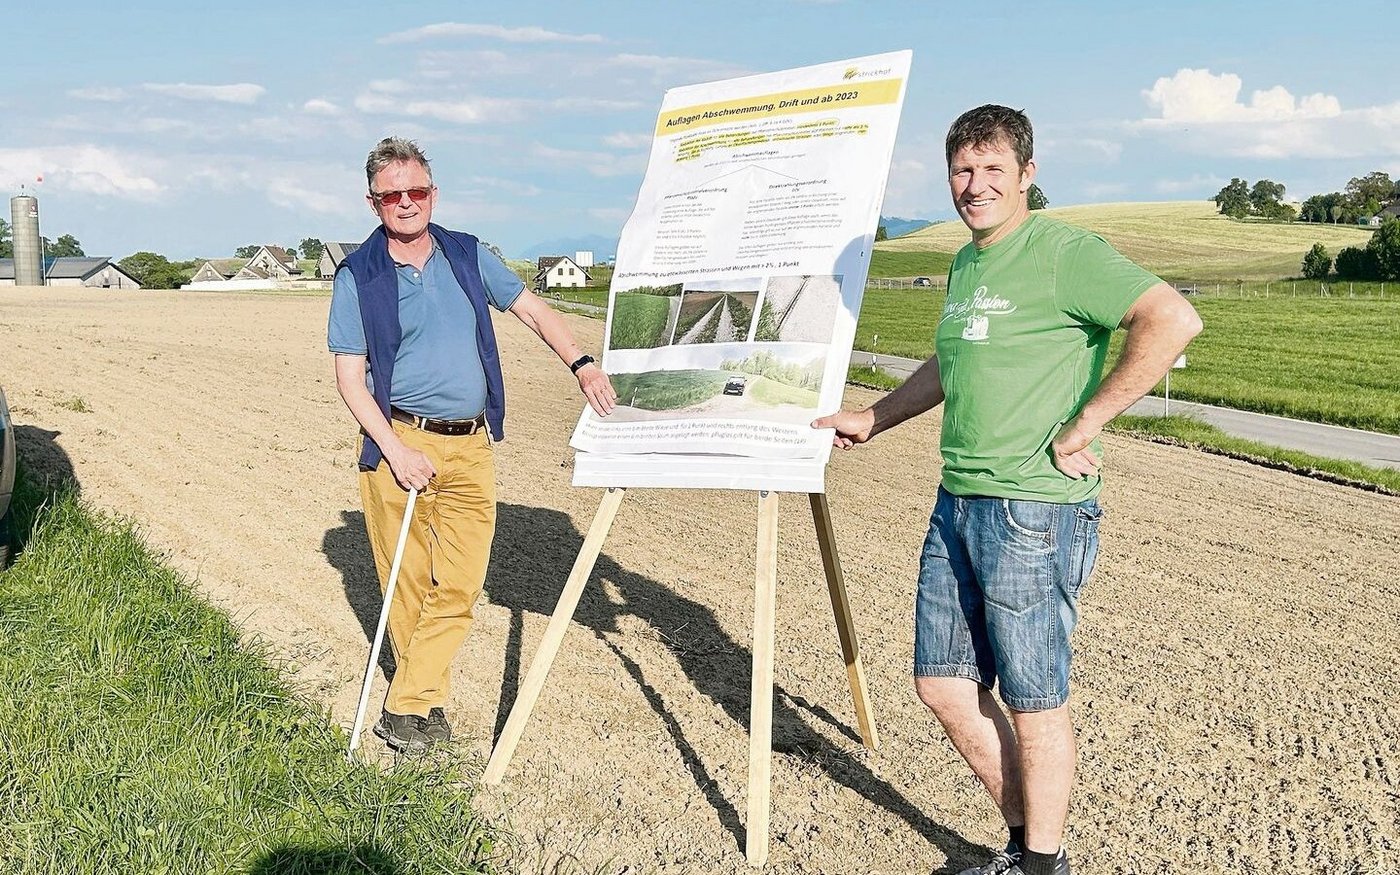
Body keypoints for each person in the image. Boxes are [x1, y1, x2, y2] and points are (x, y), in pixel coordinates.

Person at [814, 106, 1201, 875]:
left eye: (993, 169)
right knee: (942, 682)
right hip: (958, 499)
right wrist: (875, 417)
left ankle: (1039, 864)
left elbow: (1170, 317)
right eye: (962, 170)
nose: (975, 185)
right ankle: (1029, 847)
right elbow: (952, 361)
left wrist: (1087, 421)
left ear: (1027, 174)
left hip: (1035, 508)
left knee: (1034, 698)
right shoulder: (968, 262)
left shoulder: (1063, 253)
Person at [329, 137, 616, 754]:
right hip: (398, 444)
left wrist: (582, 363)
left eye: (417, 191)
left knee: (460, 583)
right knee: (408, 585)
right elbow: (350, 378)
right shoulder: (358, 275)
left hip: (471, 444)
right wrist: (396, 450)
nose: (407, 203)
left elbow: (532, 310)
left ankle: (404, 702)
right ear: (373, 203)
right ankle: (421, 708)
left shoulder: (466, 253)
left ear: (434, 193)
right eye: (392, 196)